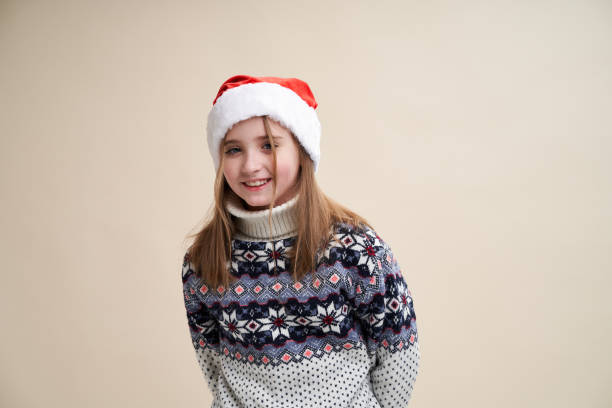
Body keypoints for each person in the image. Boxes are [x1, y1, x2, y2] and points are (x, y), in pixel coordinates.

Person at [181, 74, 420, 408]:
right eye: (233, 149)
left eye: (269, 145)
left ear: (302, 150)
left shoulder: (354, 249)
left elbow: (398, 351)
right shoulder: (204, 259)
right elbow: (212, 362)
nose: (251, 165)